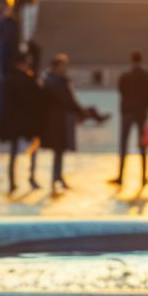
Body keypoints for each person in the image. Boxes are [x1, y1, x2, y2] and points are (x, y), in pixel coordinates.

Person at [39, 53, 92, 193]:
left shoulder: (50, 80)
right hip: (58, 119)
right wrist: (81, 111)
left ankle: (57, 176)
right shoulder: (57, 81)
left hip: (55, 118)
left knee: (59, 150)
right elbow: (68, 99)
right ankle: (56, 176)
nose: (65, 68)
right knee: (59, 148)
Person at [0, 51, 42, 192]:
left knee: (14, 152)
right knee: (32, 150)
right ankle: (31, 178)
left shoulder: (9, 79)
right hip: (27, 120)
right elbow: (35, 98)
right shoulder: (27, 79)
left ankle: (12, 182)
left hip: (13, 121)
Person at [114, 50, 148, 187]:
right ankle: (143, 177)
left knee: (123, 144)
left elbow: (120, 90)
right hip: (142, 113)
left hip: (127, 112)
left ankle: (121, 176)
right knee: (142, 145)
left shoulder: (125, 76)